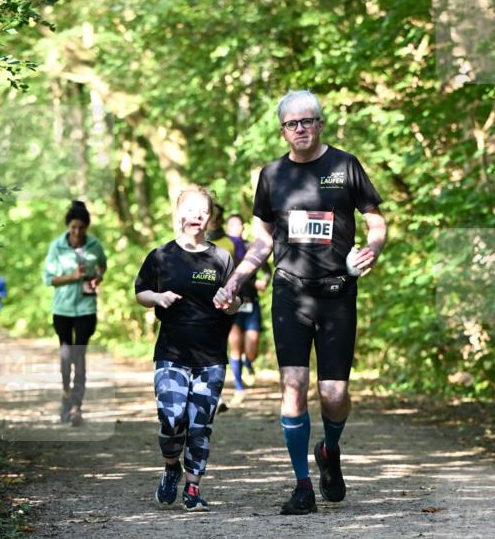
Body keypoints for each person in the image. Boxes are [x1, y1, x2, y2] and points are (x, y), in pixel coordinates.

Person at [214, 89, 387, 515]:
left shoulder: (344, 165)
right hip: (290, 291)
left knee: (333, 394)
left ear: (320, 123)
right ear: (283, 131)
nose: (301, 128)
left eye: (308, 121)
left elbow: (375, 220)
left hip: (338, 293)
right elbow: (262, 240)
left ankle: (329, 449)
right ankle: (302, 485)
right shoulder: (272, 175)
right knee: (293, 385)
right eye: (293, 123)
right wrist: (236, 279)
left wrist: (374, 248)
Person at [135, 187, 241, 511]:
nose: (196, 216)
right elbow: (141, 293)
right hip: (172, 354)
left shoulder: (222, 258)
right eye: (190, 210)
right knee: (171, 418)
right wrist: (158, 297)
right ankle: (171, 468)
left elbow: (237, 302)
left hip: (210, 357)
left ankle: (193, 488)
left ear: (210, 217)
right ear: (179, 213)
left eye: (203, 211)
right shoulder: (161, 255)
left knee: (200, 423)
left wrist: (229, 302)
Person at [43, 200, 107, 426]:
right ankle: (66, 397)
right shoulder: (56, 247)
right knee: (66, 355)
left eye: (81, 227)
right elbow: (48, 279)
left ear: (87, 227)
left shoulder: (94, 245)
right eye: (73, 227)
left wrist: (97, 277)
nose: (77, 232)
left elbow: (102, 265)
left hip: (86, 309)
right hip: (62, 309)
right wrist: (72, 276)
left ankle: (77, 407)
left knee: (79, 355)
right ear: (68, 227)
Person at [225, 212, 271, 399]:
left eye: (239, 225)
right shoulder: (223, 249)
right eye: (233, 225)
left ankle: (248, 362)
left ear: (244, 227)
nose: (237, 228)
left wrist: (264, 282)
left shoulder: (251, 247)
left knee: (251, 349)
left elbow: (267, 271)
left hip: (251, 304)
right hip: (231, 305)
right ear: (227, 229)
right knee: (235, 346)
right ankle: (238, 387)